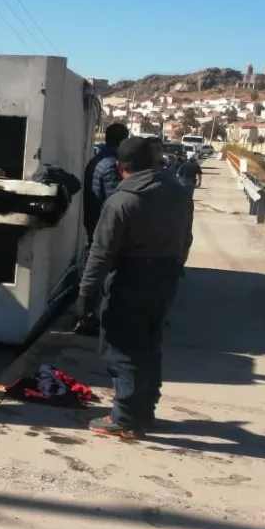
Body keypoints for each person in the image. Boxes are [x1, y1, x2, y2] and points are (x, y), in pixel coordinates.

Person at [75, 136, 194, 439]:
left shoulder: (121, 201)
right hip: (166, 277)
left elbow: (101, 253)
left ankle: (126, 418)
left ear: (120, 166)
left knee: (122, 348)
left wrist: (86, 295)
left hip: (132, 278)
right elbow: (186, 239)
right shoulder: (180, 194)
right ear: (153, 161)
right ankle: (145, 412)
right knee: (150, 344)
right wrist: (174, 267)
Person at [74, 123, 130, 335]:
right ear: (122, 141)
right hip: (104, 228)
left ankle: (86, 315)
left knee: (94, 269)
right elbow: (115, 202)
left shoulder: (95, 160)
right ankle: (89, 318)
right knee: (103, 273)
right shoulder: (112, 165)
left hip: (93, 222)